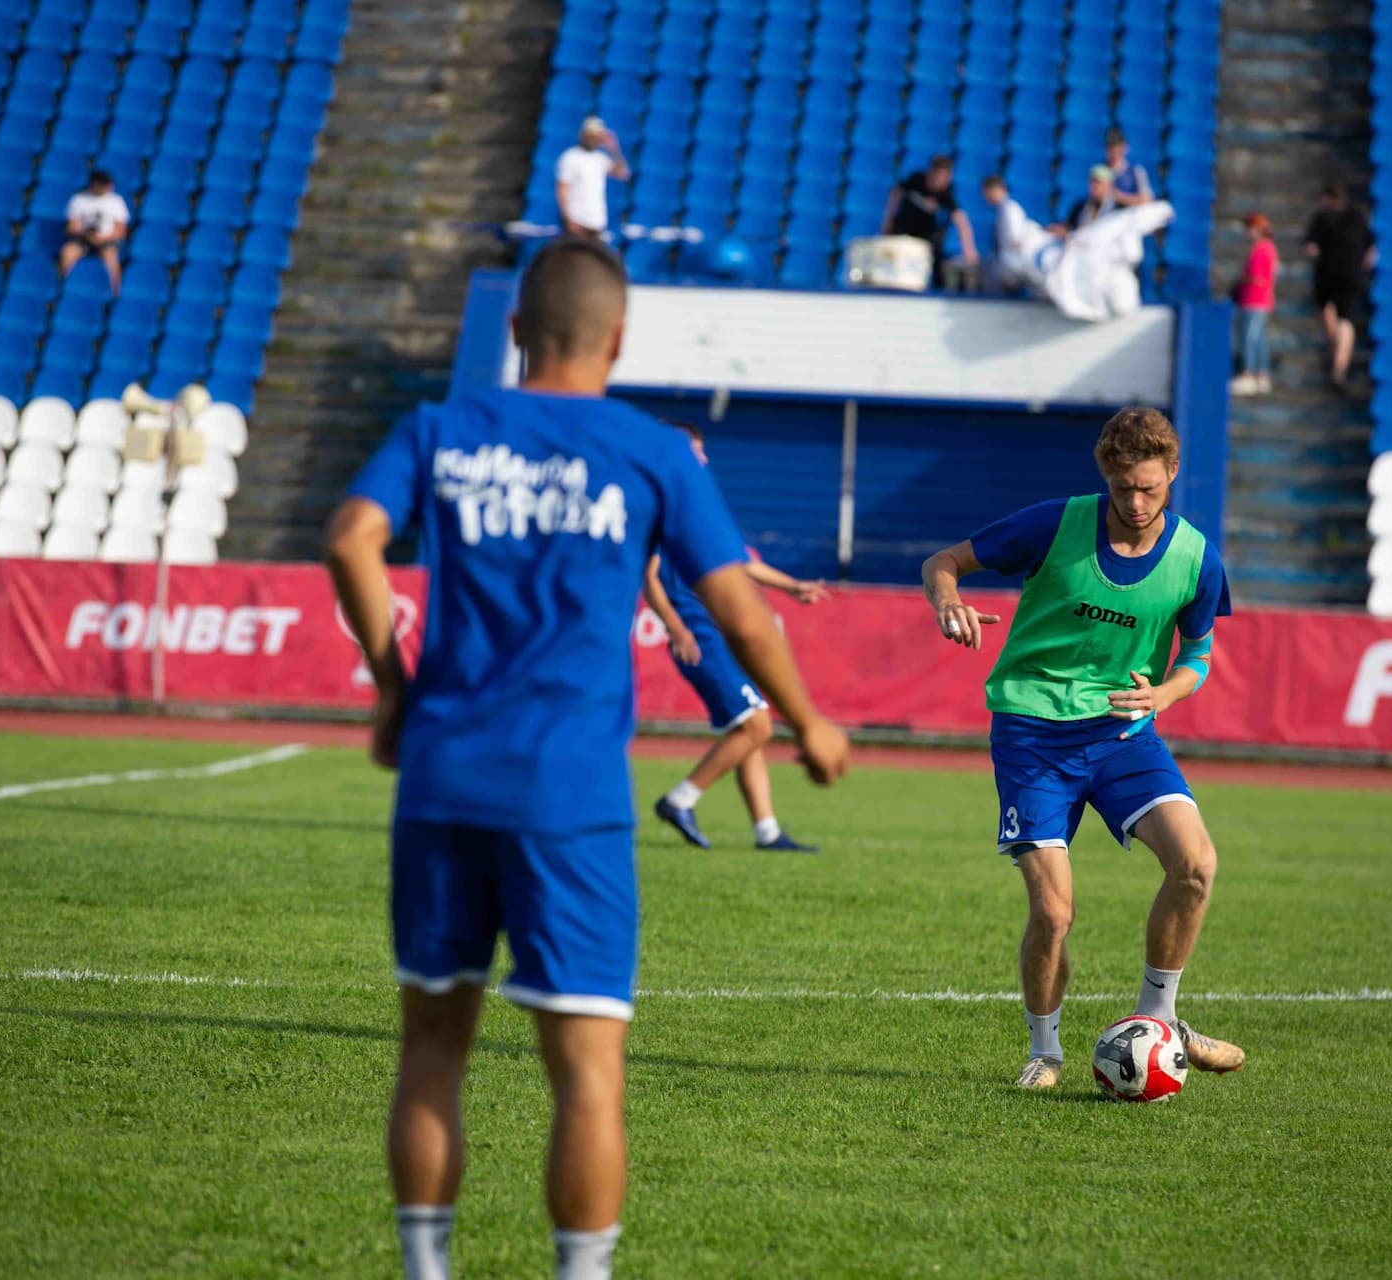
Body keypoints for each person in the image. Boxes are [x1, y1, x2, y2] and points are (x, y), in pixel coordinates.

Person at [324, 236, 849, 1280]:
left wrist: (394, 688)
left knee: (432, 1051)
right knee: (588, 1073)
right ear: (617, 338)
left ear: (517, 331)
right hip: (569, 795)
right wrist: (807, 720)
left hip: (443, 776)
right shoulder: (651, 452)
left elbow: (350, 538)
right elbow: (738, 607)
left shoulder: (442, 428)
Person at [918, 406, 1243, 1091]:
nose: (1134, 502)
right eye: (1123, 488)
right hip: (1032, 733)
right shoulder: (1055, 523)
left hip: (1125, 733)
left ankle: (1158, 1020)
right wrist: (946, 600)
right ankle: (1045, 1050)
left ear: (1173, 475)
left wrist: (1166, 694)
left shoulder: (1196, 560)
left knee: (1196, 865)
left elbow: (1200, 655)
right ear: (1106, 475)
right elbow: (943, 561)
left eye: (1149, 489)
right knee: (1054, 911)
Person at [646, 420, 831, 854]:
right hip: (698, 635)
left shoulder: (693, 508)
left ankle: (767, 830)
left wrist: (792, 586)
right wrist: (674, 625)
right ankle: (680, 799)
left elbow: (740, 562)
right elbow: (648, 577)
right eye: (696, 450)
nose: (704, 458)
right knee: (756, 725)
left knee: (751, 724)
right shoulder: (660, 506)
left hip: (716, 634)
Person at [1303, 183, 1376, 387]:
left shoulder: (1322, 218)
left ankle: (1336, 357)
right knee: (1345, 319)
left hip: (1328, 275)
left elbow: (1311, 248)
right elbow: (1371, 251)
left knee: (1330, 313)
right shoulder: (1358, 217)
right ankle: (1339, 366)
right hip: (1350, 275)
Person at [881, 154, 979, 288]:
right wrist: (888, 219)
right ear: (932, 173)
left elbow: (961, 221)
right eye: (942, 176)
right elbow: (896, 193)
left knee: (937, 262)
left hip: (926, 235)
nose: (945, 180)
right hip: (903, 229)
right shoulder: (915, 180)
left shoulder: (946, 194)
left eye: (947, 177)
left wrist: (969, 249)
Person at [556, 117, 631, 239]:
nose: (593, 139)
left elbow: (623, 173)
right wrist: (568, 219)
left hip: (596, 223)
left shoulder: (600, 159)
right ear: (583, 135)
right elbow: (562, 191)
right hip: (577, 223)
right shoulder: (570, 157)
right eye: (590, 135)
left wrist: (614, 148)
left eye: (597, 136)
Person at [1230, 213, 1278, 395]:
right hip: (1251, 299)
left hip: (1256, 300)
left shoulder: (1263, 249)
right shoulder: (1261, 248)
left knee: (1251, 337)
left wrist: (1243, 278)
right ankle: (1260, 374)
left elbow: (1259, 277)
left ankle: (1250, 372)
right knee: (1257, 338)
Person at [60, 169, 129, 295]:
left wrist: (104, 238)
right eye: (104, 184)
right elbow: (71, 227)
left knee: (111, 258)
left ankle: (115, 293)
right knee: (68, 252)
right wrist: (86, 234)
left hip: (107, 240)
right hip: (83, 238)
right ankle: (65, 289)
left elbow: (121, 230)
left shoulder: (116, 201)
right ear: (94, 184)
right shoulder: (78, 200)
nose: (109, 187)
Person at [1102, 128, 1155, 209]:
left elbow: (1147, 199)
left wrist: (1120, 197)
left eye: (1118, 147)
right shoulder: (1100, 172)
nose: (1114, 151)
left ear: (1125, 147)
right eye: (1111, 147)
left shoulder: (1136, 171)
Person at [1062, 164, 1117, 231]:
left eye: (1098, 182)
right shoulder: (1080, 206)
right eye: (1091, 181)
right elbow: (1070, 227)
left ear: (1109, 185)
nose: (1094, 185)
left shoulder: (1116, 209)